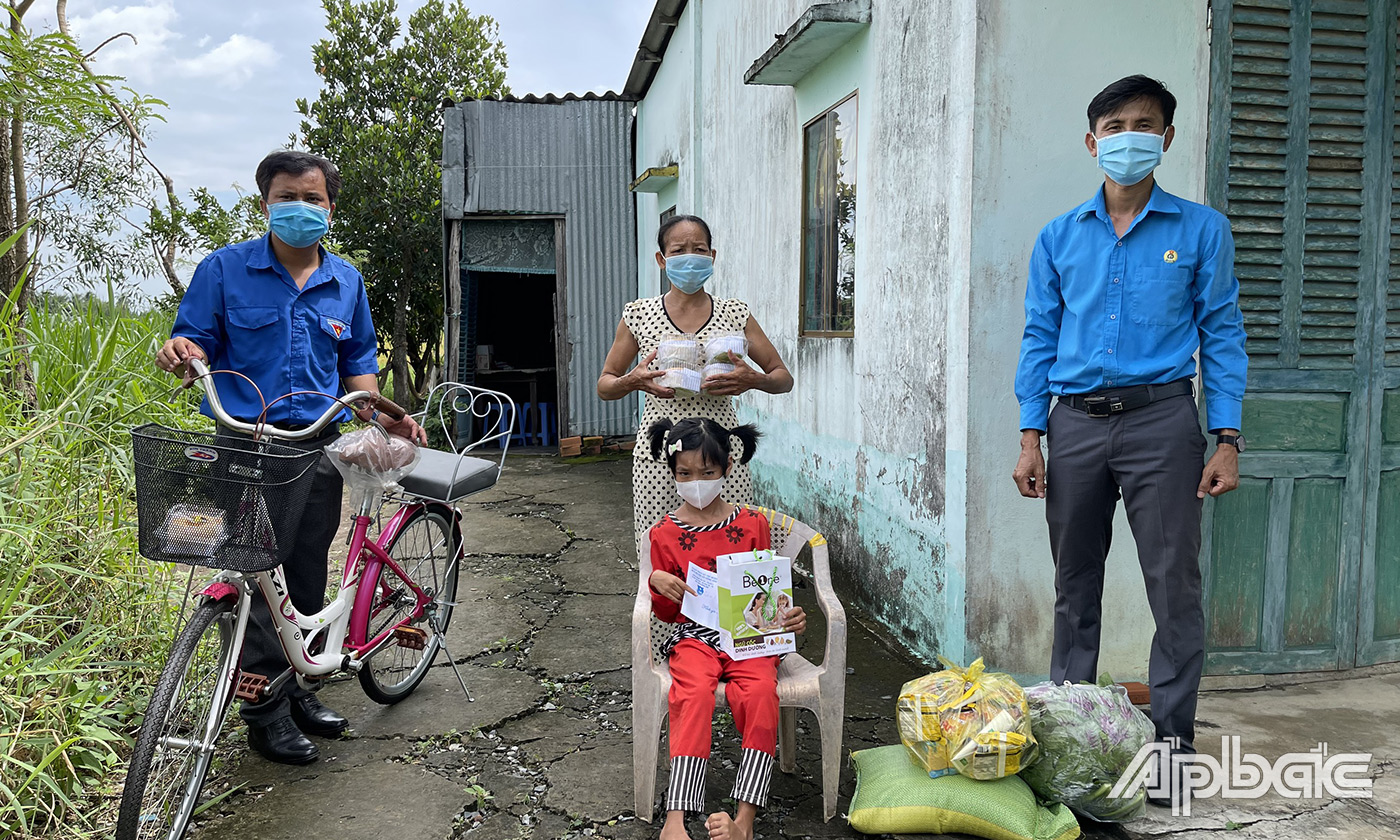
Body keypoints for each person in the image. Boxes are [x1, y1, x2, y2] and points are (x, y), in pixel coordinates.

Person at [1012, 75, 1247, 804]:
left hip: (1163, 422)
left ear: (1167, 138)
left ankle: (1172, 754)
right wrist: (1030, 436)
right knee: (1073, 586)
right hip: (1073, 423)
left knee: (1174, 588)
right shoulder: (1058, 236)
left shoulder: (1201, 230)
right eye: (1114, 126)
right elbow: (1038, 338)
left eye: (1144, 125)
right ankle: (1075, 744)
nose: (1128, 137)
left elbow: (1223, 333)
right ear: (1092, 142)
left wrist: (1227, 436)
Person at [154, 151, 426, 766]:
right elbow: (192, 338)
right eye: (287, 197)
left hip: (318, 447)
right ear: (265, 203)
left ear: (329, 208)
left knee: (303, 569)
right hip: (246, 445)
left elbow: (358, 369)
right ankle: (264, 714)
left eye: (313, 199)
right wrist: (180, 349)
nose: (300, 208)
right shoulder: (224, 270)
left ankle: (299, 688)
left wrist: (385, 414)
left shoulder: (346, 282)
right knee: (254, 573)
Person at [645, 417, 806, 840]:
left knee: (759, 694)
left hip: (749, 640)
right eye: (684, 474)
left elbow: (769, 596)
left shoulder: (753, 524)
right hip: (694, 638)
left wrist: (789, 618)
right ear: (672, 472)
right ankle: (676, 819)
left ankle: (745, 821)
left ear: (727, 469)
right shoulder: (663, 534)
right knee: (692, 693)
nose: (695, 482)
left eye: (707, 473)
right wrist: (656, 583)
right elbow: (665, 613)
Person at [598, 215, 794, 550]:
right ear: (662, 260)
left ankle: (735, 604)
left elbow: (782, 378)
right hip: (660, 456)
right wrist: (632, 380)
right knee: (660, 552)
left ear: (712, 256)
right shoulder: (639, 315)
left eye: (699, 249)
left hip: (722, 457)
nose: (690, 256)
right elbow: (606, 385)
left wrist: (753, 380)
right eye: (679, 250)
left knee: (731, 548)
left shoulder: (735, 314)